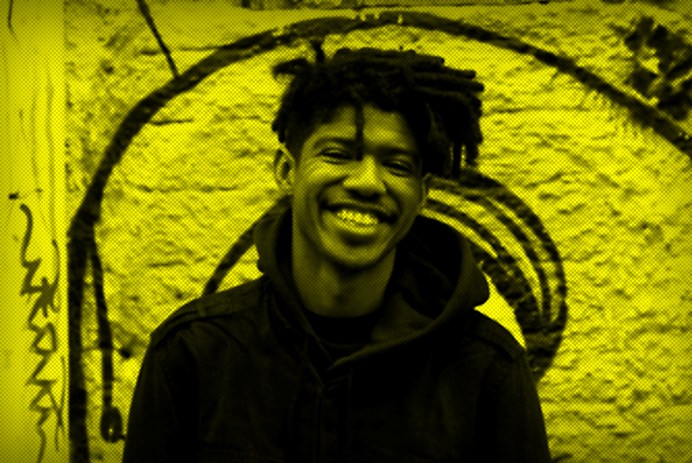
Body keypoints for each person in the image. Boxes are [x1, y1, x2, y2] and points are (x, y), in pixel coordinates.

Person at [122, 44, 552, 462]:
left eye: (397, 165)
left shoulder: (487, 370)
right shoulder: (193, 353)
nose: (367, 183)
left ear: (422, 194)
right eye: (339, 154)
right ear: (286, 170)